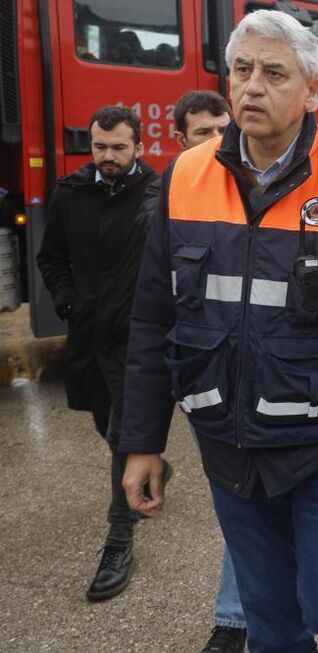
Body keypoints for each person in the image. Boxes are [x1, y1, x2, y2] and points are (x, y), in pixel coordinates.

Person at [117, 10, 318, 653]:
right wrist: (142, 443)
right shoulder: (185, 177)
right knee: (268, 622)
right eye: (241, 71)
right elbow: (156, 317)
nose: (251, 87)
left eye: (273, 73)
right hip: (226, 441)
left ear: (313, 89)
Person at [36, 105, 165, 602]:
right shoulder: (71, 193)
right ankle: (154, 468)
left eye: (118, 147)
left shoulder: (154, 194)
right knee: (102, 421)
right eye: (99, 147)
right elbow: (51, 257)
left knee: (121, 433)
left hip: (136, 337)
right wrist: (68, 301)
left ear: (138, 147)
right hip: (90, 332)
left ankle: (119, 539)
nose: (107, 157)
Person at [160, 89, 245, 653]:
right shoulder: (172, 196)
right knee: (236, 507)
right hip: (201, 379)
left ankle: (235, 618)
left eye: (223, 129)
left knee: (249, 510)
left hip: (266, 382)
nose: (217, 143)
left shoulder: (260, 191)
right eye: (202, 134)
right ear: (180, 140)